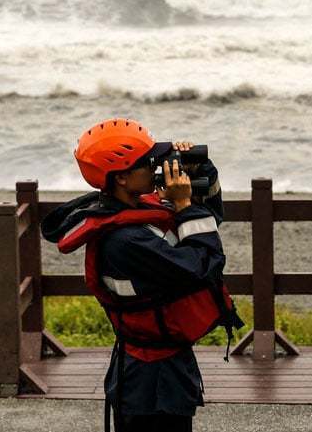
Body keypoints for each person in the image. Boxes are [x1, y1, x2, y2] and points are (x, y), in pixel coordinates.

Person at [41, 118, 243, 432]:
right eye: (148, 162)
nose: (156, 167)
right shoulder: (126, 242)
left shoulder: (134, 210)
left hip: (162, 369)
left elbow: (211, 217)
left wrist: (201, 169)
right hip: (150, 384)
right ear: (121, 177)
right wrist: (184, 204)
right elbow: (205, 263)